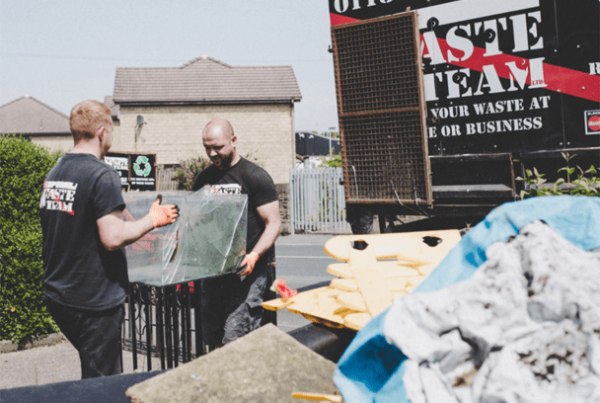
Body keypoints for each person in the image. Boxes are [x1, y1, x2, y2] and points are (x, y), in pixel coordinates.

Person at [39, 100, 178, 378]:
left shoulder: (56, 173)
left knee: (92, 370)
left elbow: (76, 224)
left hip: (59, 295)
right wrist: (153, 219)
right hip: (93, 302)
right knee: (103, 382)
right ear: (102, 131)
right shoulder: (102, 174)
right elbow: (112, 238)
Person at [192, 118, 281, 348]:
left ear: (233, 141)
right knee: (212, 341)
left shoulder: (254, 176)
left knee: (236, 339)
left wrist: (254, 255)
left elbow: (273, 224)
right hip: (213, 274)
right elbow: (197, 222)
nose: (212, 153)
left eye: (218, 147)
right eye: (207, 147)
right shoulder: (203, 180)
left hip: (246, 275)